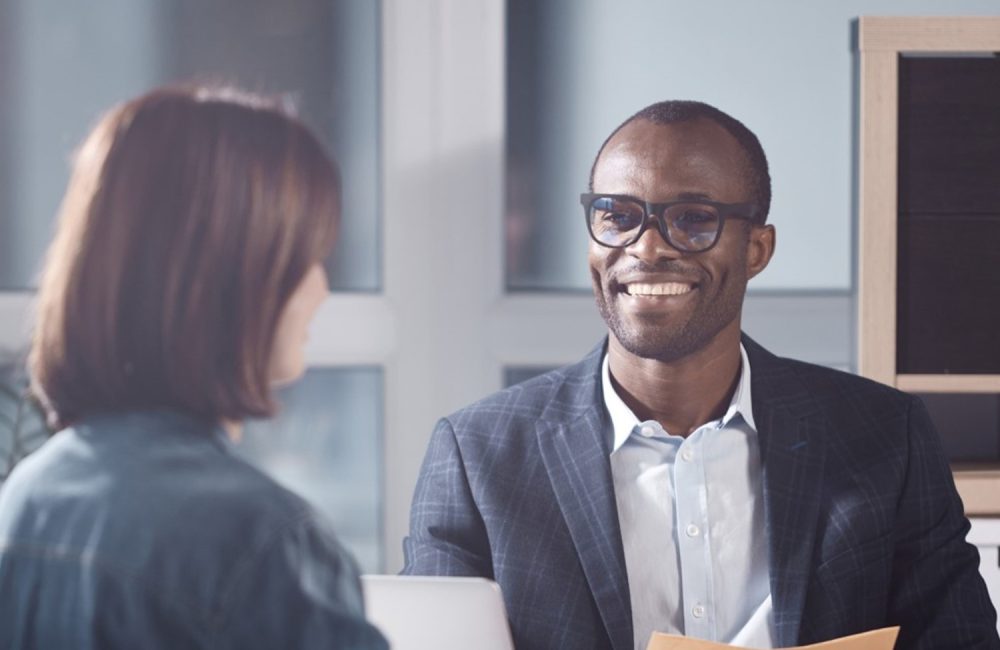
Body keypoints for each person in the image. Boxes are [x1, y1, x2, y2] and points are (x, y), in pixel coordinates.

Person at [403, 100, 1000, 650]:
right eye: (617, 216)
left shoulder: (885, 434)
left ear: (757, 250)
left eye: (692, 219)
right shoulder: (477, 456)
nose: (647, 247)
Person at [0, 86, 388, 649]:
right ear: (234, 279)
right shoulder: (262, 544)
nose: (321, 290)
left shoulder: (26, 500)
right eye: (305, 259)